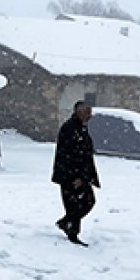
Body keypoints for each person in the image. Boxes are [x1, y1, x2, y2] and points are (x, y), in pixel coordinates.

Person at [52, 100, 101, 246]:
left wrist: (87, 175)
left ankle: (66, 223)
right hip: (70, 175)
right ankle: (72, 233)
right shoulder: (70, 128)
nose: (90, 115)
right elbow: (66, 154)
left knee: (88, 201)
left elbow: (85, 153)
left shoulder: (81, 127)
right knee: (73, 204)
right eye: (88, 112)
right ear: (79, 112)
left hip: (81, 175)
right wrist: (75, 177)